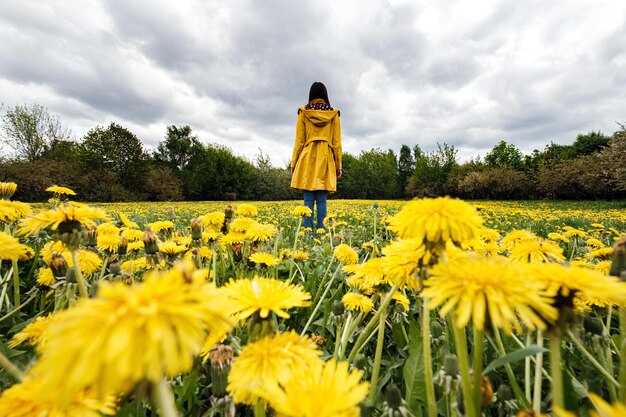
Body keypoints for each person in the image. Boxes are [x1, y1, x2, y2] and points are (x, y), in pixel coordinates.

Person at [290, 82, 342, 231]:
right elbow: (337, 143)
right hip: (326, 157)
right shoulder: (334, 113)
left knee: (308, 199)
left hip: (307, 156)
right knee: (321, 201)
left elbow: (299, 141)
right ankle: (322, 233)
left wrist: (294, 163)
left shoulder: (303, 112)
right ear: (325, 95)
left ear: (311, 95)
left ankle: (307, 235)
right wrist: (338, 165)